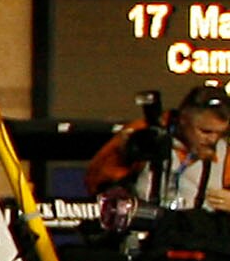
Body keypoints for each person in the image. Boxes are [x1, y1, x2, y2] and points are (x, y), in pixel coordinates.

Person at [86, 83, 230, 213]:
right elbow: (97, 182)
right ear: (183, 119)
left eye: (220, 133)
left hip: (199, 236)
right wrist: (122, 156)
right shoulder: (144, 135)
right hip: (145, 231)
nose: (213, 139)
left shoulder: (225, 150)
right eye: (205, 131)